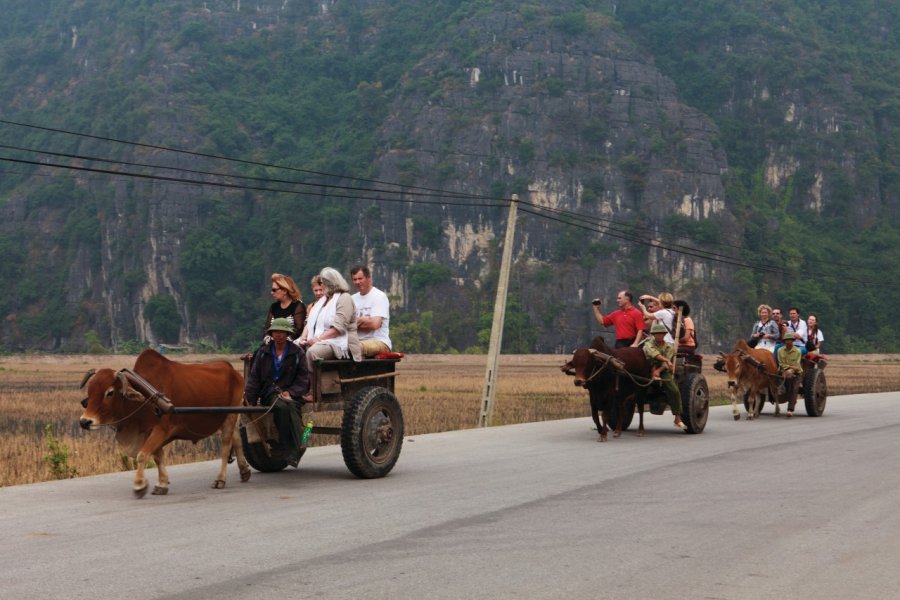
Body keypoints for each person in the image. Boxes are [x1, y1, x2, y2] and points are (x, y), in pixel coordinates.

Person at [244, 318, 310, 466]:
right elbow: (254, 378)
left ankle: (295, 444)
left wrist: (291, 392)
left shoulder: (297, 353)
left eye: (282, 332)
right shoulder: (263, 353)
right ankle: (295, 444)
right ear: (271, 334)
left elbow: (303, 379)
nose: (279, 335)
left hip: (292, 394)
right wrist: (250, 399)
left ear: (287, 334)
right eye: (276, 332)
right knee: (281, 406)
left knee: (290, 406)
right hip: (270, 393)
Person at [298, 266, 362, 371]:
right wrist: (303, 338)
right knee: (291, 349)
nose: (321, 285)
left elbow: (338, 329)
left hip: (340, 343)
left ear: (330, 283)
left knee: (312, 352)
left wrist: (318, 339)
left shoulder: (344, 298)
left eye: (322, 283)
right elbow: (310, 323)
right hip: (322, 340)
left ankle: (311, 384)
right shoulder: (323, 301)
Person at [641, 321, 687, 430]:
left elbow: (667, 364)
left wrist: (659, 370)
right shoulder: (648, 343)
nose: (659, 335)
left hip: (663, 369)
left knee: (674, 390)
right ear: (653, 335)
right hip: (647, 368)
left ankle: (677, 418)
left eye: (661, 333)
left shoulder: (669, 347)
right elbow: (652, 353)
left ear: (664, 335)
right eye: (657, 334)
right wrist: (665, 361)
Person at [350, 265, 392, 357]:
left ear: (369, 278)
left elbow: (374, 325)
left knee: (355, 348)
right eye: (354, 279)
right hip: (357, 340)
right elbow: (345, 325)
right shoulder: (351, 299)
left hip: (379, 341)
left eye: (360, 278)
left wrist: (354, 323)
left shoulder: (379, 296)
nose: (357, 282)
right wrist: (363, 320)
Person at [263, 273, 306, 342]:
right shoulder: (274, 307)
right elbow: (266, 329)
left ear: (285, 291)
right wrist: (268, 339)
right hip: (272, 344)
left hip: (291, 345)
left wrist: (283, 342)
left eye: (274, 290)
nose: (271, 293)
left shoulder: (298, 306)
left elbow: (299, 329)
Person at [776, 331, 803, 417]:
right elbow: (780, 363)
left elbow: (797, 365)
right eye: (786, 340)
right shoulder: (780, 351)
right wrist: (786, 370)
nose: (788, 342)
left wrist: (790, 370)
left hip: (796, 373)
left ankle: (790, 409)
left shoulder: (798, 351)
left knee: (794, 388)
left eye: (790, 340)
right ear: (784, 341)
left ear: (793, 341)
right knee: (785, 387)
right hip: (783, 372)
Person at [296, 275, 326, 347]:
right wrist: (302, 338)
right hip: (310, 337)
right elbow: (307, 324)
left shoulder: (330, 304)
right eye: (316, 290)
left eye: (321, 290)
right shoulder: (311, 307)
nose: (318, 293)